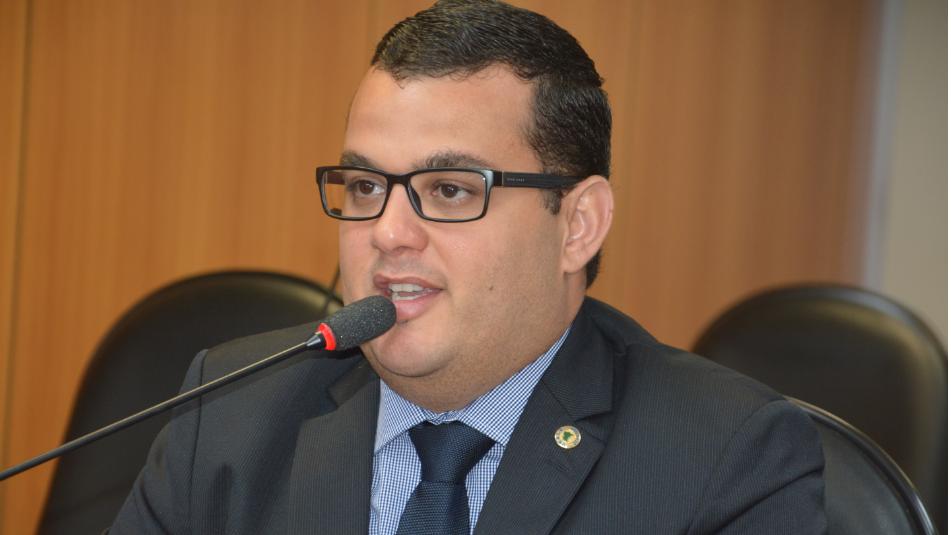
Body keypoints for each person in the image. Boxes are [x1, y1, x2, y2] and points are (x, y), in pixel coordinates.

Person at [112, 1, 826, 533]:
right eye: (365, 186)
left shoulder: (726, 456)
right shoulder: (230, 412)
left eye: (449, 190)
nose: (388, 232)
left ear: (577, 225)